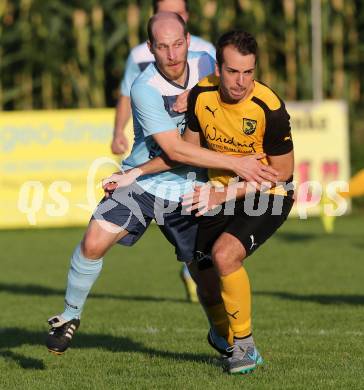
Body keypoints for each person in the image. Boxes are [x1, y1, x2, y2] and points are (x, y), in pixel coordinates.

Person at [46, 14, 274, 357]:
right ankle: (69, 316)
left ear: (189, 41)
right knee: (94, 240)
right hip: (144, 179)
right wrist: (236, 163)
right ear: (150, 48)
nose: (172, 54)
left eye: (178, 44)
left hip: (192, 190)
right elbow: (175, 150)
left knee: (209, 287)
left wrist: (198, 92)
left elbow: (233, 95)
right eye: (163, 46)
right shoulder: (144, 88)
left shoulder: (208, 63)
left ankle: (222, 336)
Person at [104, 30, 294, 375]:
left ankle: (246, 348)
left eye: (249, 72)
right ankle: (223, 337)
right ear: (218, 68)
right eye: (233, 71)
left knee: (225, 255)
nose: (241, 81)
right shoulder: (202, 95)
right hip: (215, 193)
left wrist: (226, 192)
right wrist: (134, 173)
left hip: (267, 194)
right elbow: (183, 154)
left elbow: (282, 171)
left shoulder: (270, 107)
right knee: (204, 282)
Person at [112, 0, 215, 303]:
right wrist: (118, 131)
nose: (171, 53)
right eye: (167, 11)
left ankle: (227, 332)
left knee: (214, 255)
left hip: (200, 168)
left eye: (180, 12)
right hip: (162, 162)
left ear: (187, 18)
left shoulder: (206, 53)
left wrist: (194, 95)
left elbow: (228, 87)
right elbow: (126, 93)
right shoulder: (140, 57)